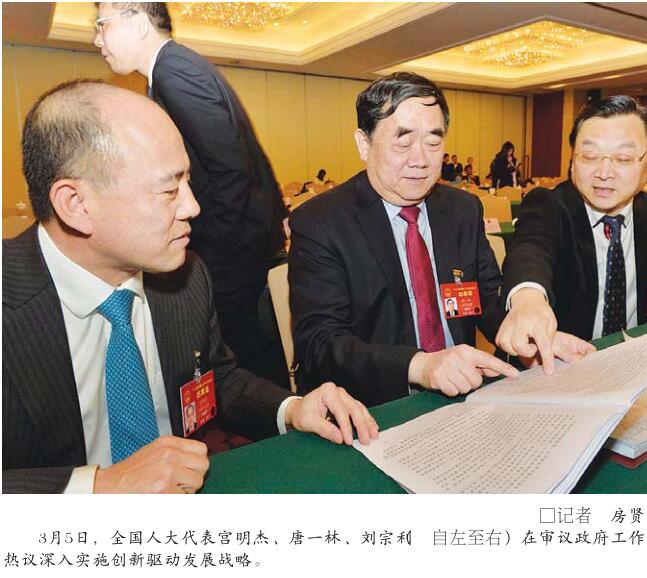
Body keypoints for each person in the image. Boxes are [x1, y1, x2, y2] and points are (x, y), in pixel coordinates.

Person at [2, 80, 378, 494]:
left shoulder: (185, 276)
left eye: (188, 182)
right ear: (76, 204)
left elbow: (216, 380)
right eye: (169, 190)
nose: (192, 207)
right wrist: (99, 487)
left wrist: (292, 409)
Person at [288, 72, 592, 407]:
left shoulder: (462, 210)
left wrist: (530, 338)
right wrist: (420, 366)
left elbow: (486, 297)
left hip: (463, 392)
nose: (420, 160)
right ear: (364, 143)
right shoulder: (321, 222)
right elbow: (320, 343)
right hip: (373, 404)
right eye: (403, 142)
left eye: (433, 143)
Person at [94, 3, 289, 386]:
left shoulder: (174, 71)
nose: (97, 39)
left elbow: (230, 171)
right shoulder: (172, 68)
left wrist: (210, 255)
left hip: (232, 250)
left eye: (102, 25)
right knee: (248, 359)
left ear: (138, 22)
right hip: (238, 244)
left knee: (245, 365)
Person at [497, 95, 647, 373]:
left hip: (638, 364)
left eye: (623, 158)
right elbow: (530, 249)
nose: (603, 173)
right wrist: (528, 298)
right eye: (589, 156)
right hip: (562, 367)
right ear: (573, 158)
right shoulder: (548, 205)